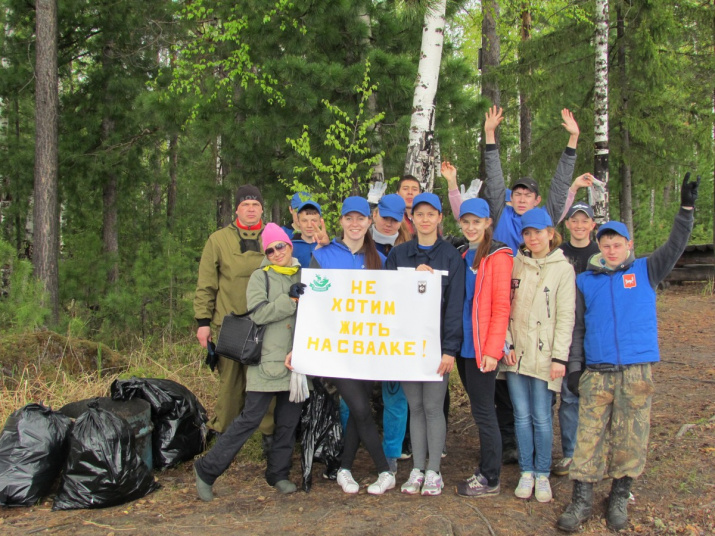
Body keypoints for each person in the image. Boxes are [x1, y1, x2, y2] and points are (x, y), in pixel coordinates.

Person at [556, 173, 698, 533]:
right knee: (588, 436)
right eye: (606, 244)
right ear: (599, 246)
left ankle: (620, 495)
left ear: (628, 244)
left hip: (636, 370)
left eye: (618, 243)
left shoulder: (646, 270)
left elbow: (677, 243)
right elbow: (578, 327)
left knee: (630, 436)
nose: (611, 249)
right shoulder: (585, 280)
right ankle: (581, 499)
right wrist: (575, 367)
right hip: (597, 371)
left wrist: (685, 209)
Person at [194, 224, 306, 501]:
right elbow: (259, 314)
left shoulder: (306, 274)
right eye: (269, 249)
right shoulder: (260, 277)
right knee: (249, 419)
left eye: (280, 246)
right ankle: (207, 470)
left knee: (288, 422)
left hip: (298, 362)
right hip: (266, 361)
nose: (276, 252)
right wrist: (290, 299)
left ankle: (278, 473)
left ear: (289, 245)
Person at [309, 196, 395, 495]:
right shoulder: (323, 254)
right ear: (342, 221)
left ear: (370, 221)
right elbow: (311, 301)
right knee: (359, 406)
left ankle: (345, 469)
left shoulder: (381, 260)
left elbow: (394, 303)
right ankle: (384, 470)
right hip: (336, 348)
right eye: (349, 218)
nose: (355, 224)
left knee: (359, 411)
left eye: (361, 219)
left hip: (368, 348)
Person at [385, 192, 465, 496]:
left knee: (433, 407)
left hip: (436, 349)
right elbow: (388, 300)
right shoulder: (399, 255)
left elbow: (455, 305)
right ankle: (417, 468)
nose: (425, 219)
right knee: (414, 407)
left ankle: (434, 471)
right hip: (407, 347)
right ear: (412, 218)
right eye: (419, 214)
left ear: (440, 218)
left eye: (431, 214)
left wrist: (449, 350)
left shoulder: (450, 256)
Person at [501, 207, 575, 503]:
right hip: (516, 353)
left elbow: (565, 317)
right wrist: (506, 344)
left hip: (544, 356)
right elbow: (503, 307)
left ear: (551, 234)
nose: (533, 238)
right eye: (527, 233)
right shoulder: (514, 265)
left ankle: (543, 473)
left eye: (538, 232)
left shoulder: (563, 269)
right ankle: (526, 471)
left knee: (542, 416)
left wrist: (560, 358)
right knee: (521, 415)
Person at [193, 184, 274, 442]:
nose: (251, 209)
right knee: (230, 381)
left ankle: (268, 433)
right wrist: (203, 322)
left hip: (267, 321)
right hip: (232, 323)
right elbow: (206, 284)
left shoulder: (274, 238)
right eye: (245, 205)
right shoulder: (218, 240)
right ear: (237, 209)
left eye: (256, 205)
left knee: (267, 379)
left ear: (262, 208)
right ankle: (223, 430)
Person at [453, 198, 513, 497]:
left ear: (488, 222)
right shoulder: (463, 254)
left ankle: (490, 477)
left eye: (478, 221)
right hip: (463, 346)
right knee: (480, 411)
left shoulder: (498, 256)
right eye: (466, 221)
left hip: (481, 349)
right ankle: (487, 469)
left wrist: (492, 350)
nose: (471, 227)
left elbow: (502, 306)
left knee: (484, 412)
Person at [553, 200, 599, 477]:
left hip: (595, 335)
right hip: (564, 334)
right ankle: (570, 453)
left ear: (592, 225)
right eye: (574, 220)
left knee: (595, 397)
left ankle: (593, 453)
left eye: (585, 220)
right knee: (569, 398)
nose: (579, 225)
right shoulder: (558, 253)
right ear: (567, 224)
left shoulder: (601, 254)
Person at [291, 199, 323, 268]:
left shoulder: (327, 247)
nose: (309, 225)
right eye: (304, 221)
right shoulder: (290, 248)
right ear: (298, 222)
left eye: (313, 221)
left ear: (320, 222)